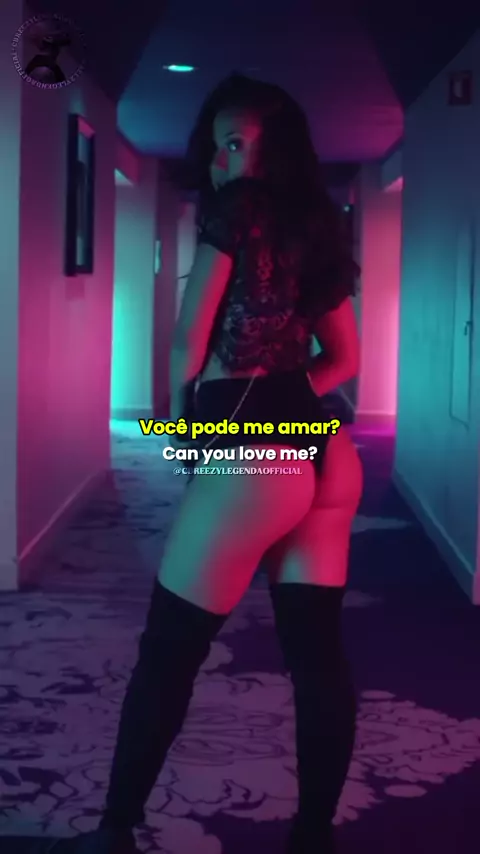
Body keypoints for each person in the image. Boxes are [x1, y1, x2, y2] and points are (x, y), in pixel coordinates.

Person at [65, 73, 363, 854]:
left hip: (253, 461)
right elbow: (343, 360)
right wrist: (284, 402)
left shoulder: (234, 212)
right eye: (221, 144)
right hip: (328, 455)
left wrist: (184, 430)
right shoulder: (316, 228)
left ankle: (112, 835)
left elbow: (186, 344)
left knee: (170, 650)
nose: (225, 159)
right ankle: (313, 837)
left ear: (273, 152)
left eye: (239, 144)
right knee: (317, 660)